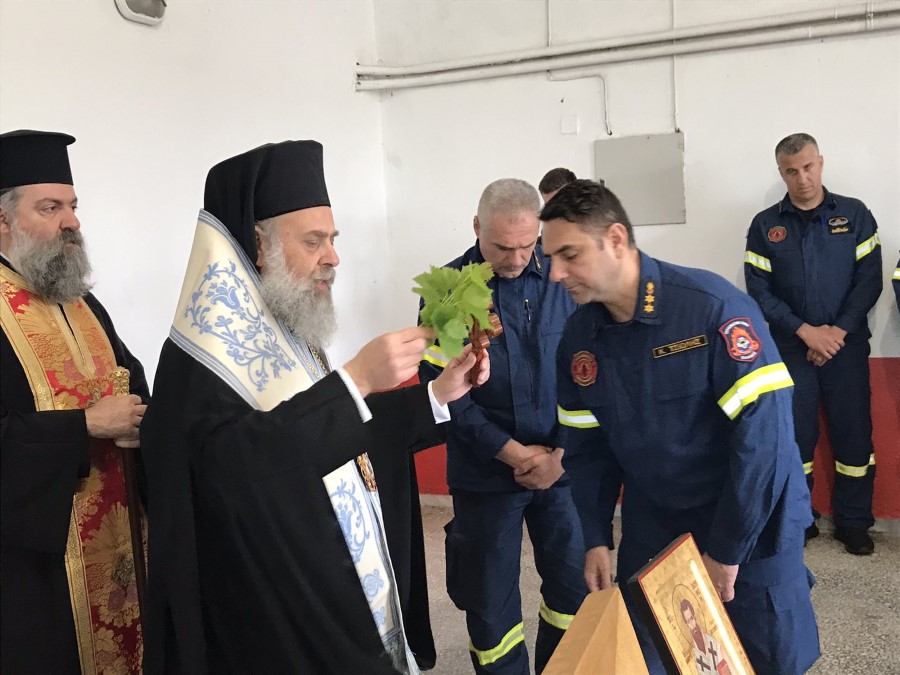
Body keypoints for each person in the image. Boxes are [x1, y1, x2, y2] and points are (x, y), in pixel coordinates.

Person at [140, 139, 488, 675]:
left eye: (332, 238)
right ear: (258, 246)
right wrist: (355, 381)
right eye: (313, 241)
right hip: (269, 611)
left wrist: (436, 395)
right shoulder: (201, 359)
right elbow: (237, 473)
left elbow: (331, 437)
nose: (333, 257)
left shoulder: (288, 326)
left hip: (325, 579)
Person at [542, 179, 819, 674]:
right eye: (551, 258)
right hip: (657, 524)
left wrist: (726, 551)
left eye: (569, 255)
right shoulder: (580, 338)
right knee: (662, 655)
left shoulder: (711, 308)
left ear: (616, 239)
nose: (556, 274)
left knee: (766, 657)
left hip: (749, 520)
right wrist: (595, 536)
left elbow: (765, 442)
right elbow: (587, 449)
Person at [419, 179, 585, 674]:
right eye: (501, 247)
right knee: (490, 606)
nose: (515, 259)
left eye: (526, 245)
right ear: (476, 227)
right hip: (485, 473)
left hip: (564, 470)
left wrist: (560, 454)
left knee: (572, 593)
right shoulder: (448, 292)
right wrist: (511, 452)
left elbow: (593, 374)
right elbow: (445, 395)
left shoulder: (566, 278)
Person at [0, 130, 149, 674]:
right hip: (34, 567)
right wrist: (81, 425)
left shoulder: (81, 301)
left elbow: (133, 384)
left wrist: (143, 421)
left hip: (119, 543)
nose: (71, 222)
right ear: (3, 220)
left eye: (73, 206)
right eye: (51, 208)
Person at [744, 133, 882, 555]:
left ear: (820, 163)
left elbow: (869, 282)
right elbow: (759, 291)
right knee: (794, 439)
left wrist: (835, 333)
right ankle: (798, 519)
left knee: (854, 436)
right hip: (791, 350)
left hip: (846, 347)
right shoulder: (765, 226)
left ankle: (853, 523)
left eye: (807, 167)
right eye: (791, 171)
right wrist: (806, 332)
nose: (802, 178)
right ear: (781, 172)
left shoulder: (855, 215)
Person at [680, 599, 732, 675]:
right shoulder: (694, 655)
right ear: (686, 625)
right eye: (688, 621)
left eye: (691, 619)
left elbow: (725, 666)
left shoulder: (712, 641)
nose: (692, 624)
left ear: (695, 618)